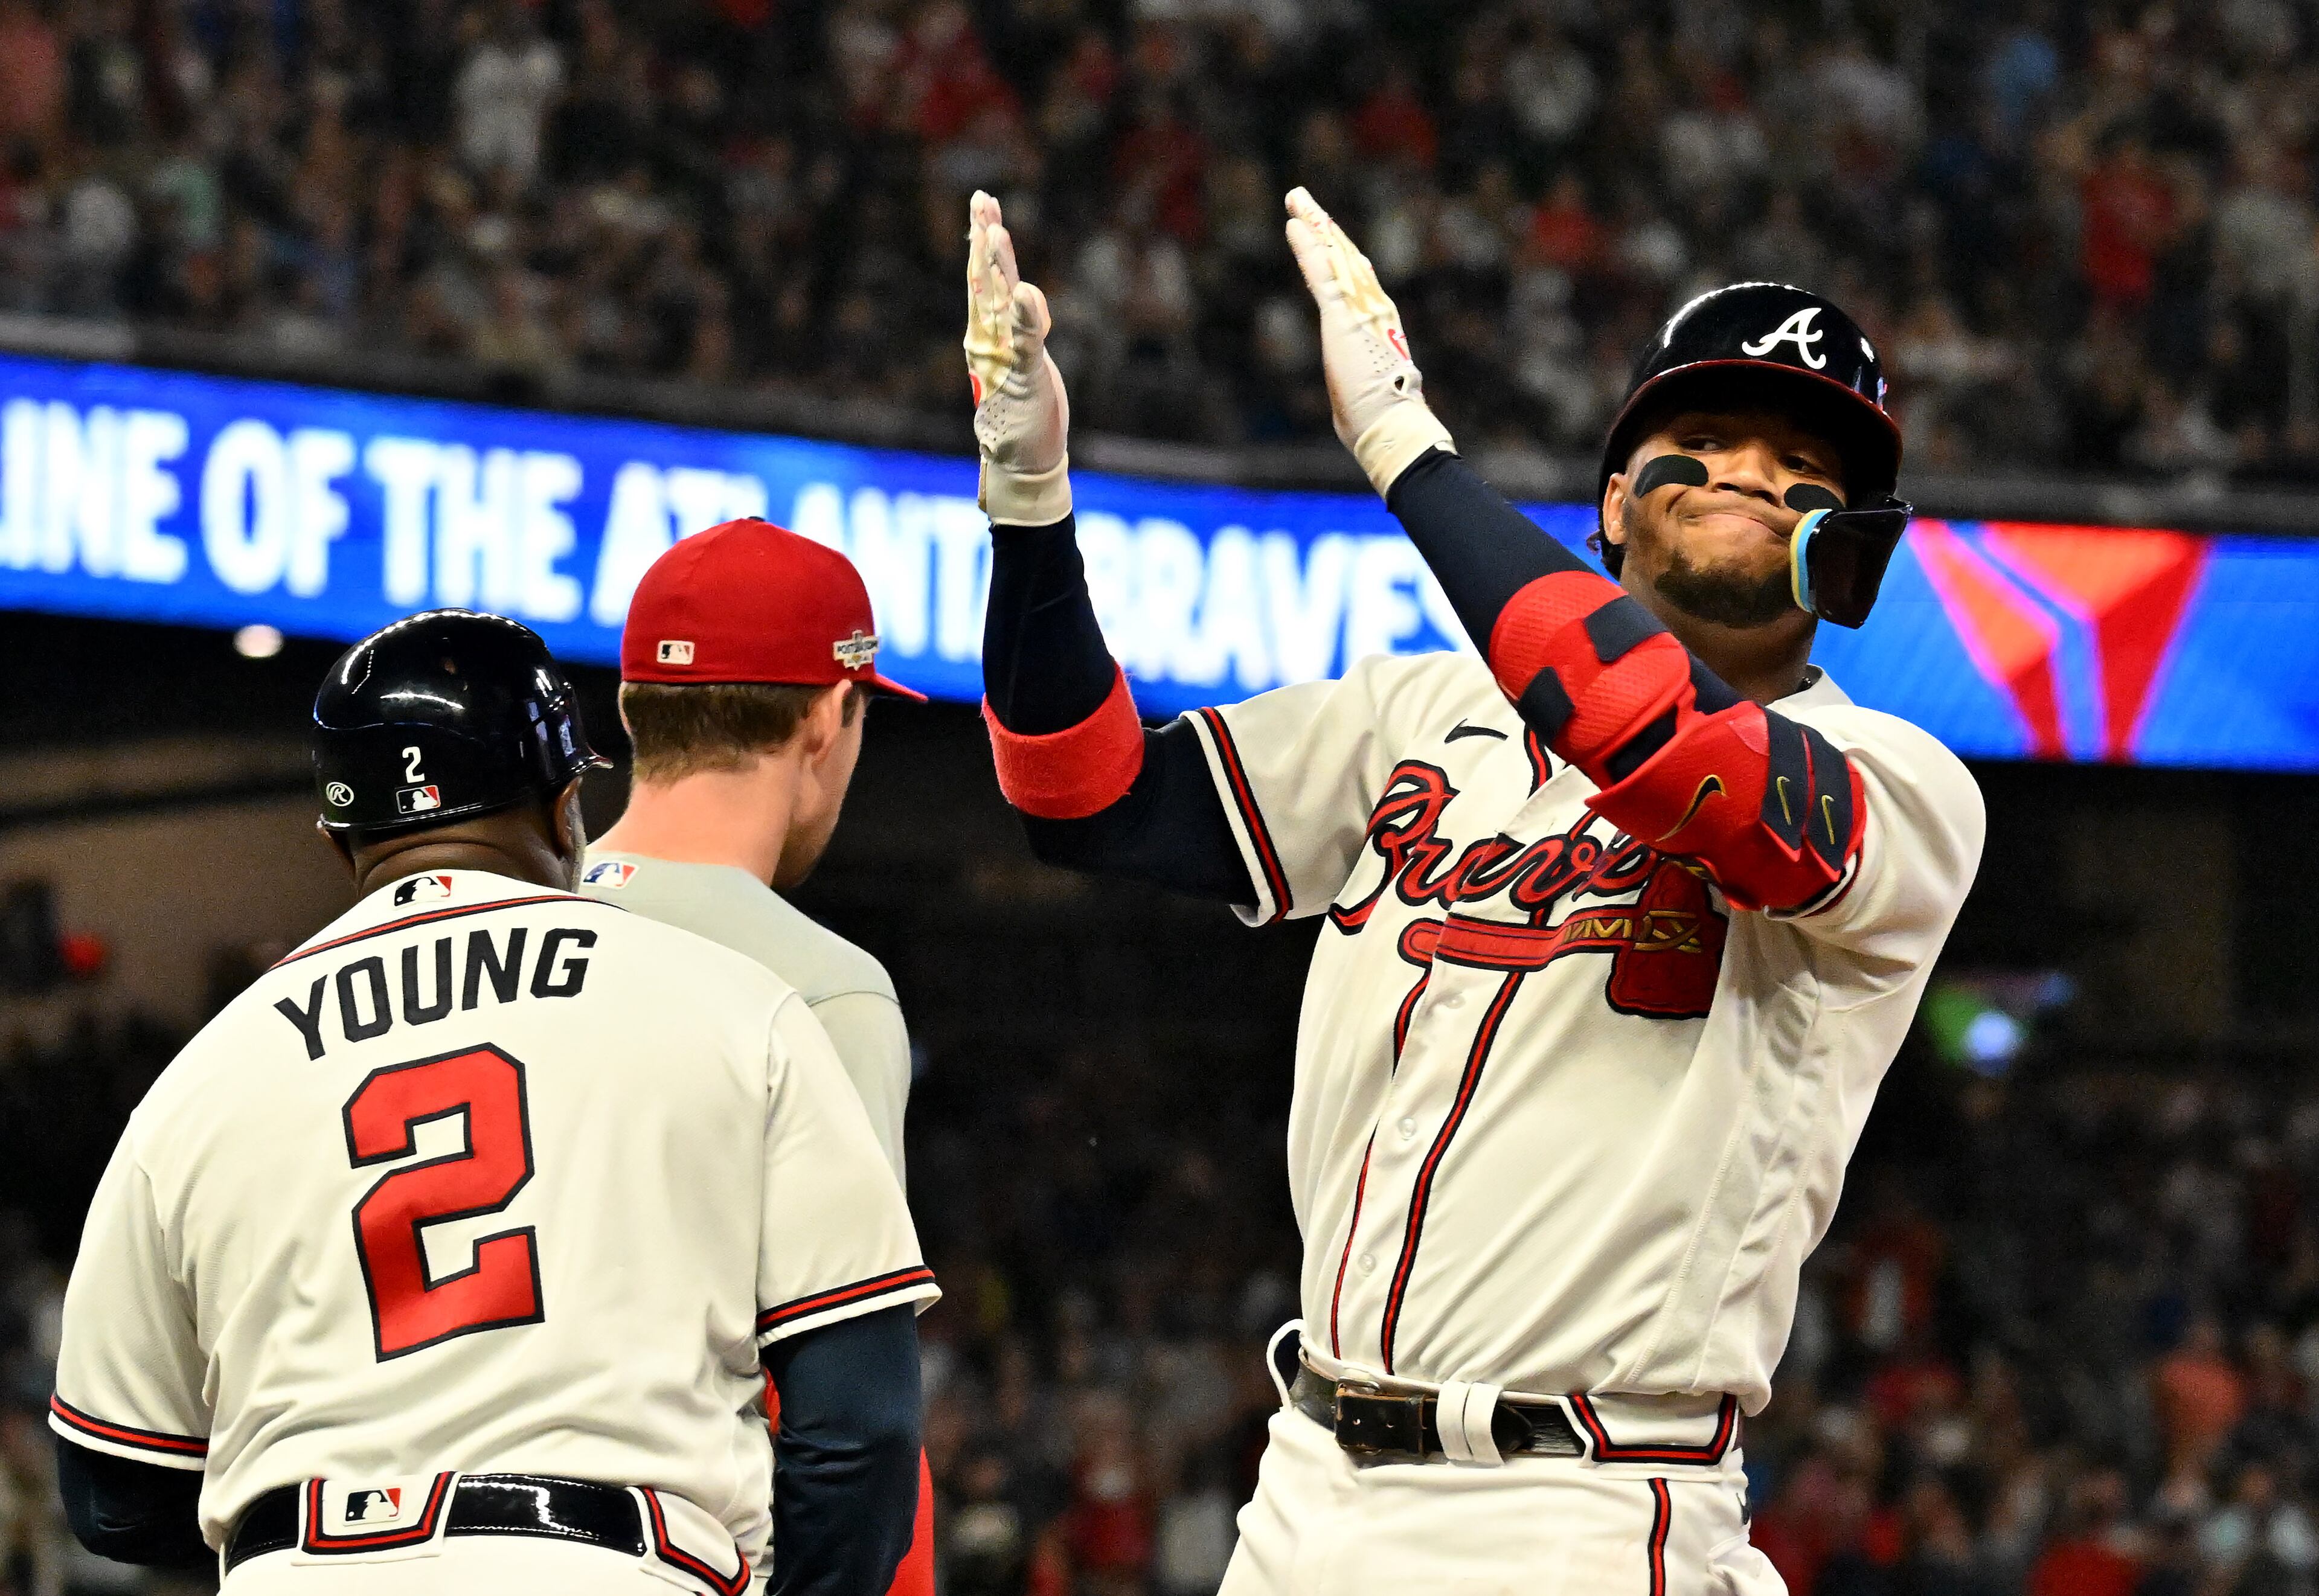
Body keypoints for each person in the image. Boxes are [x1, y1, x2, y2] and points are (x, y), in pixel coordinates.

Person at [964, 185, 1983, 1594]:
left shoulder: (1901, 785)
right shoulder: (1426, 712)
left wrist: (1404, 450)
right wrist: (1028, 503)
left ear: (1855, 546)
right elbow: (1086, 796)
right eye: (1702, 441)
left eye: (1805, 460)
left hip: (1580, 1496)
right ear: (1614, 503)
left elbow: (1656, 733)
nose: (1751, 469)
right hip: (1307, 1477)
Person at [48, 610, 938, 1594]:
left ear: (340, 840)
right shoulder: (736, 1008)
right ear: (566, 807)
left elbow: (112, 1494)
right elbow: (862, 1432)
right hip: (609, 1562)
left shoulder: (199, 1080)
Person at [580, 516, 938, 1593]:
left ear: (639, 709)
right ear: (829, 716)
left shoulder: (490, 924)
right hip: (672, 1550)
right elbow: (850, 1419)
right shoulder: (820, 987)